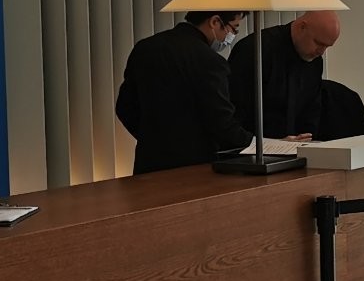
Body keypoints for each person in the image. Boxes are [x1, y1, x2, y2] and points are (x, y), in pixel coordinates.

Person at [116, 10, 253, 172]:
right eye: (234, 28)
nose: (231, 36)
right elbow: (222, 123)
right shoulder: (210, 61)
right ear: (215, 22)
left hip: (148, 163)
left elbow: (124, 107)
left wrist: (152, 139)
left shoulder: (144, 48)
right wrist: (257, 145)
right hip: (194, 167)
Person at [229, 10, 342, 140]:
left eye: (327, 46)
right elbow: (234, 114)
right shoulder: (254, 50)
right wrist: (272, 145)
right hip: (252, 146)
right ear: (302, 27)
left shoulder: (315, 62)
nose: (321, 52)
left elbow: (312, 112)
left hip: (295, 146)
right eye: (318, 43)